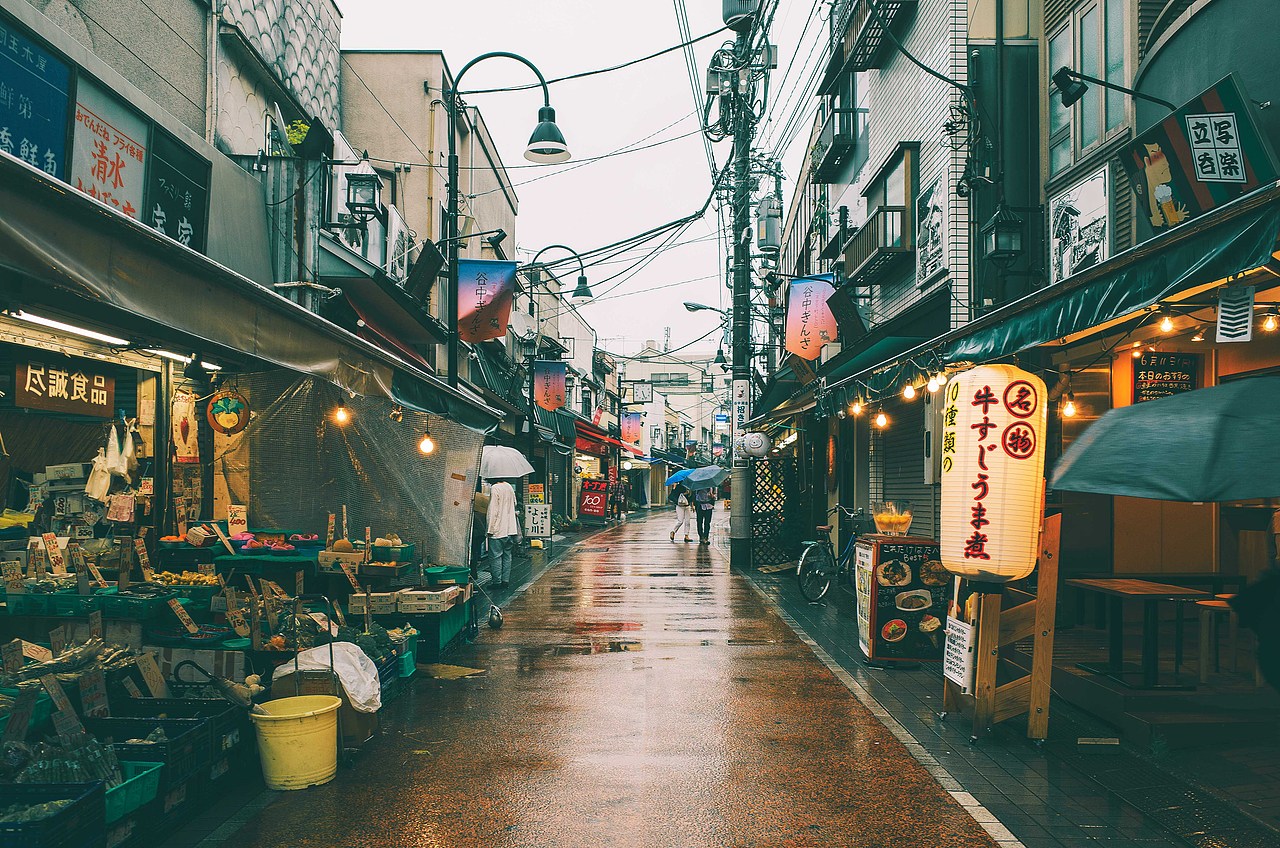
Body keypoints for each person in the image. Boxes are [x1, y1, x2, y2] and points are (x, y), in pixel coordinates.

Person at [485, 478, 519, 588]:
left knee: (495, 556)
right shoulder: (509, 486)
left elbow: (493, 510)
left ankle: (497, 582)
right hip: (510, 529)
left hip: (498, 529)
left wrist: (490, 529)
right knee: (507, 555)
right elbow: (515, 503)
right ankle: (505, 580)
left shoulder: (495, 488)